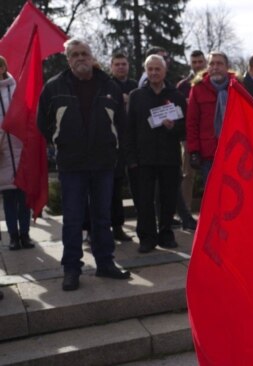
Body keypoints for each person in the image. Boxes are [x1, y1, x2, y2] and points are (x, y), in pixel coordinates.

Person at [37, 38, 131, 291]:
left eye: (84, 53)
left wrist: (114, 150)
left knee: (102, 217)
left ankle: (105, 263)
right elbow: (42, 123)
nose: (80, 58)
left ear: (92, 56)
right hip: (72, 164)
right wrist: (60, 142)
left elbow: (121, 125)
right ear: (68, 60)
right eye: (75, 54)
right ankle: (71, 269)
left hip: (103, 164)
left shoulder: (108, 85)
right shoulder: (54, 87)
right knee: (73, 219)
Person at [125, 55, 186, 253]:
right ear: (145, 71)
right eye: (149, 69)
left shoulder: (176, 96)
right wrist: (131, 158)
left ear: (165, 70)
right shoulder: (136, 96)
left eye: (157, 69)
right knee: (144, 200)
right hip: (144, 158)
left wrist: (173, 127)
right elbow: (130, 129)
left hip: (169, 157)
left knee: (168, 199)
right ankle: (147, 237)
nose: (153, 73)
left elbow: (185, 128)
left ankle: (166, 233)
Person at [0, 55, 36, 251]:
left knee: (23, 198)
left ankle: (25, 234)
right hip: (3, 153)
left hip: (20, 148)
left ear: (4, 67)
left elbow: (28, 114)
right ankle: (13, 236)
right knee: (9, 198)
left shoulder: (16, 88)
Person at [186, 51, 232, 186]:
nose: (215, 67)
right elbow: (192, 122)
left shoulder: (236, 87)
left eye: (219, 63)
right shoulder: (198, 88)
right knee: (213, 193)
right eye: (212, 63)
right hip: (209, 152)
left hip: (233, 151)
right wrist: (194, 151)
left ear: (226, 66)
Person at [174, 51, 206, 231]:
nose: (198, 64)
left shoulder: (211, 83)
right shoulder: (183, 86)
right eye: (194, 61)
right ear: (190, 63)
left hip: (209, 135)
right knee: (187, 174)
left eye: (201, 61)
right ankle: (185, 212)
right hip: (188, 136)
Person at [109, 52, 138, 242]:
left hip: (134, 142)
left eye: (124, 64)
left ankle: (141, 226)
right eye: (117, 64)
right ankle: (114, 227)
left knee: (138, 186)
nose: (121, 67)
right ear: (111, 67)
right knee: (114, 188)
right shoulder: (106, 85)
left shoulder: (136, 86)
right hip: (113, 144)